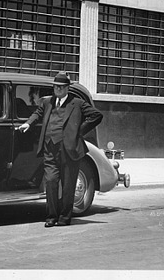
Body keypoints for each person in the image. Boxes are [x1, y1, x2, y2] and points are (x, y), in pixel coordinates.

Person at [18, 72, 103, 227]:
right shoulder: (47, 102)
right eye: (56, 87)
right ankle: (51, 217)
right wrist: (28, 123)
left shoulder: (76, 103)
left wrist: (79, 131)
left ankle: (64, 218)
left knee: (68, 185)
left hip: (69, 150)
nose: (58, 89)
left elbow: (96, 115)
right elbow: (38, 112)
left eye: (61, 87)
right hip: (49, 148)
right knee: (50, 182)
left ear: (67, 88)